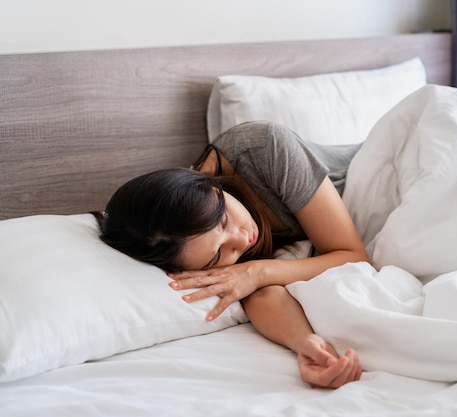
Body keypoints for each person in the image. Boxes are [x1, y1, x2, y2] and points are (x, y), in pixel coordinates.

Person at [95, 121, 369, 389]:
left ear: (207, 182)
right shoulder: (189, 250)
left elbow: (353, 256)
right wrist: (305, 343)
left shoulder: (265, 150)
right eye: (217, 257)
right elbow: (253, 292)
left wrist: (256, 271)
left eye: (224, 220)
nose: (241, 241)